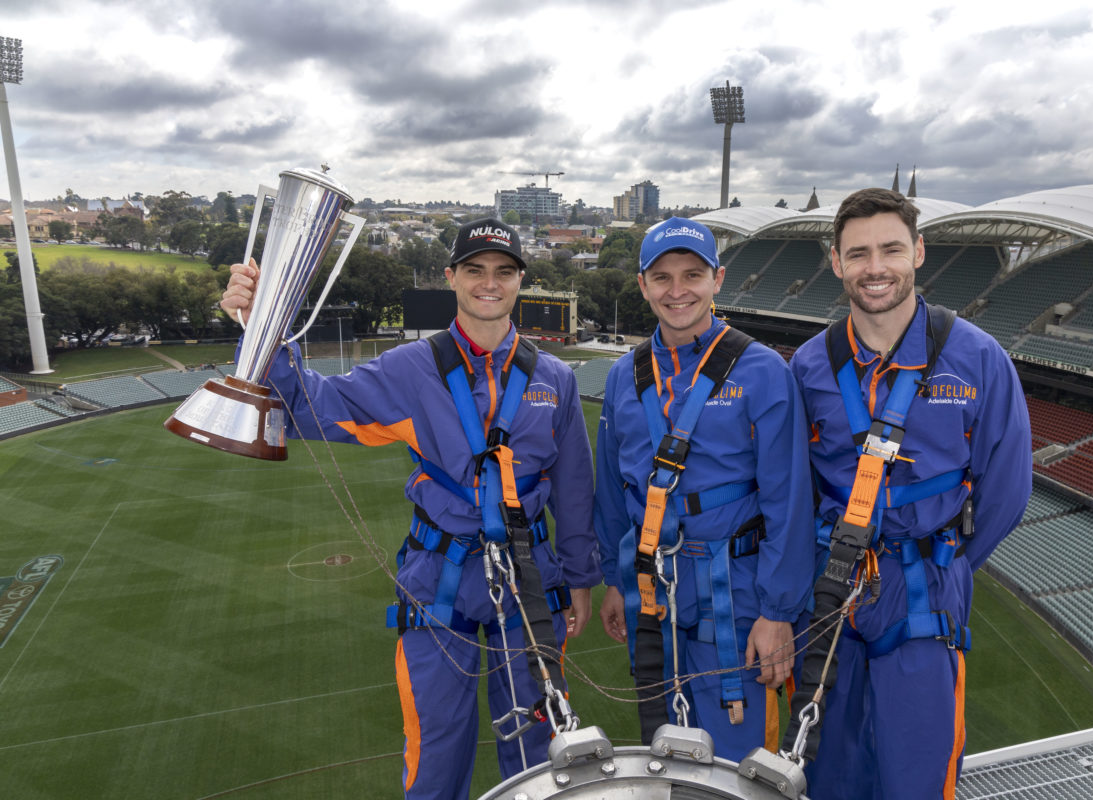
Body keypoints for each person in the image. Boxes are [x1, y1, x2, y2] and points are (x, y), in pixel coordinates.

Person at [220, 217, 601, 800]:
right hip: (440, 579)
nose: (489, 283)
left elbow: (573, 486)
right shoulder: (412, 367)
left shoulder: (553, 378)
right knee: (435, 749)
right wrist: (261, 326)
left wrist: (580, 577)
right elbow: (314, 405)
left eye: (503, 272)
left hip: (530, 579)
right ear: (451, 277)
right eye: (475, 270)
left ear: (521, 281)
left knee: (537, 747)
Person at [788, 188, 1032, 799]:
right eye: (859, 253)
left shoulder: (978, 358)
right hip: (831, 586)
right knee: (825, 771)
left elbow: (1007, 487)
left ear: (918, 252)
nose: (877, 267)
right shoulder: (811, 365)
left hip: (925, 585)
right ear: (837, 262)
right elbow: (795, 486)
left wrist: (943, 561)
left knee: (918, 776)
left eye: (892, 249)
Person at [593, 216, 815, 761]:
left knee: (737, 764)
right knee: (664, 754)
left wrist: (778, 611)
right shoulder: (626, 374)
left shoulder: (762, 370)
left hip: (735, 597)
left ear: (717, 279)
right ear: (643, 285)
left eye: (692, 275)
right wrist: (615, 582)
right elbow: (613, 489)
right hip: (655, 596)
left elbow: (788, 499)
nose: (677, 291)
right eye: (662, 277)